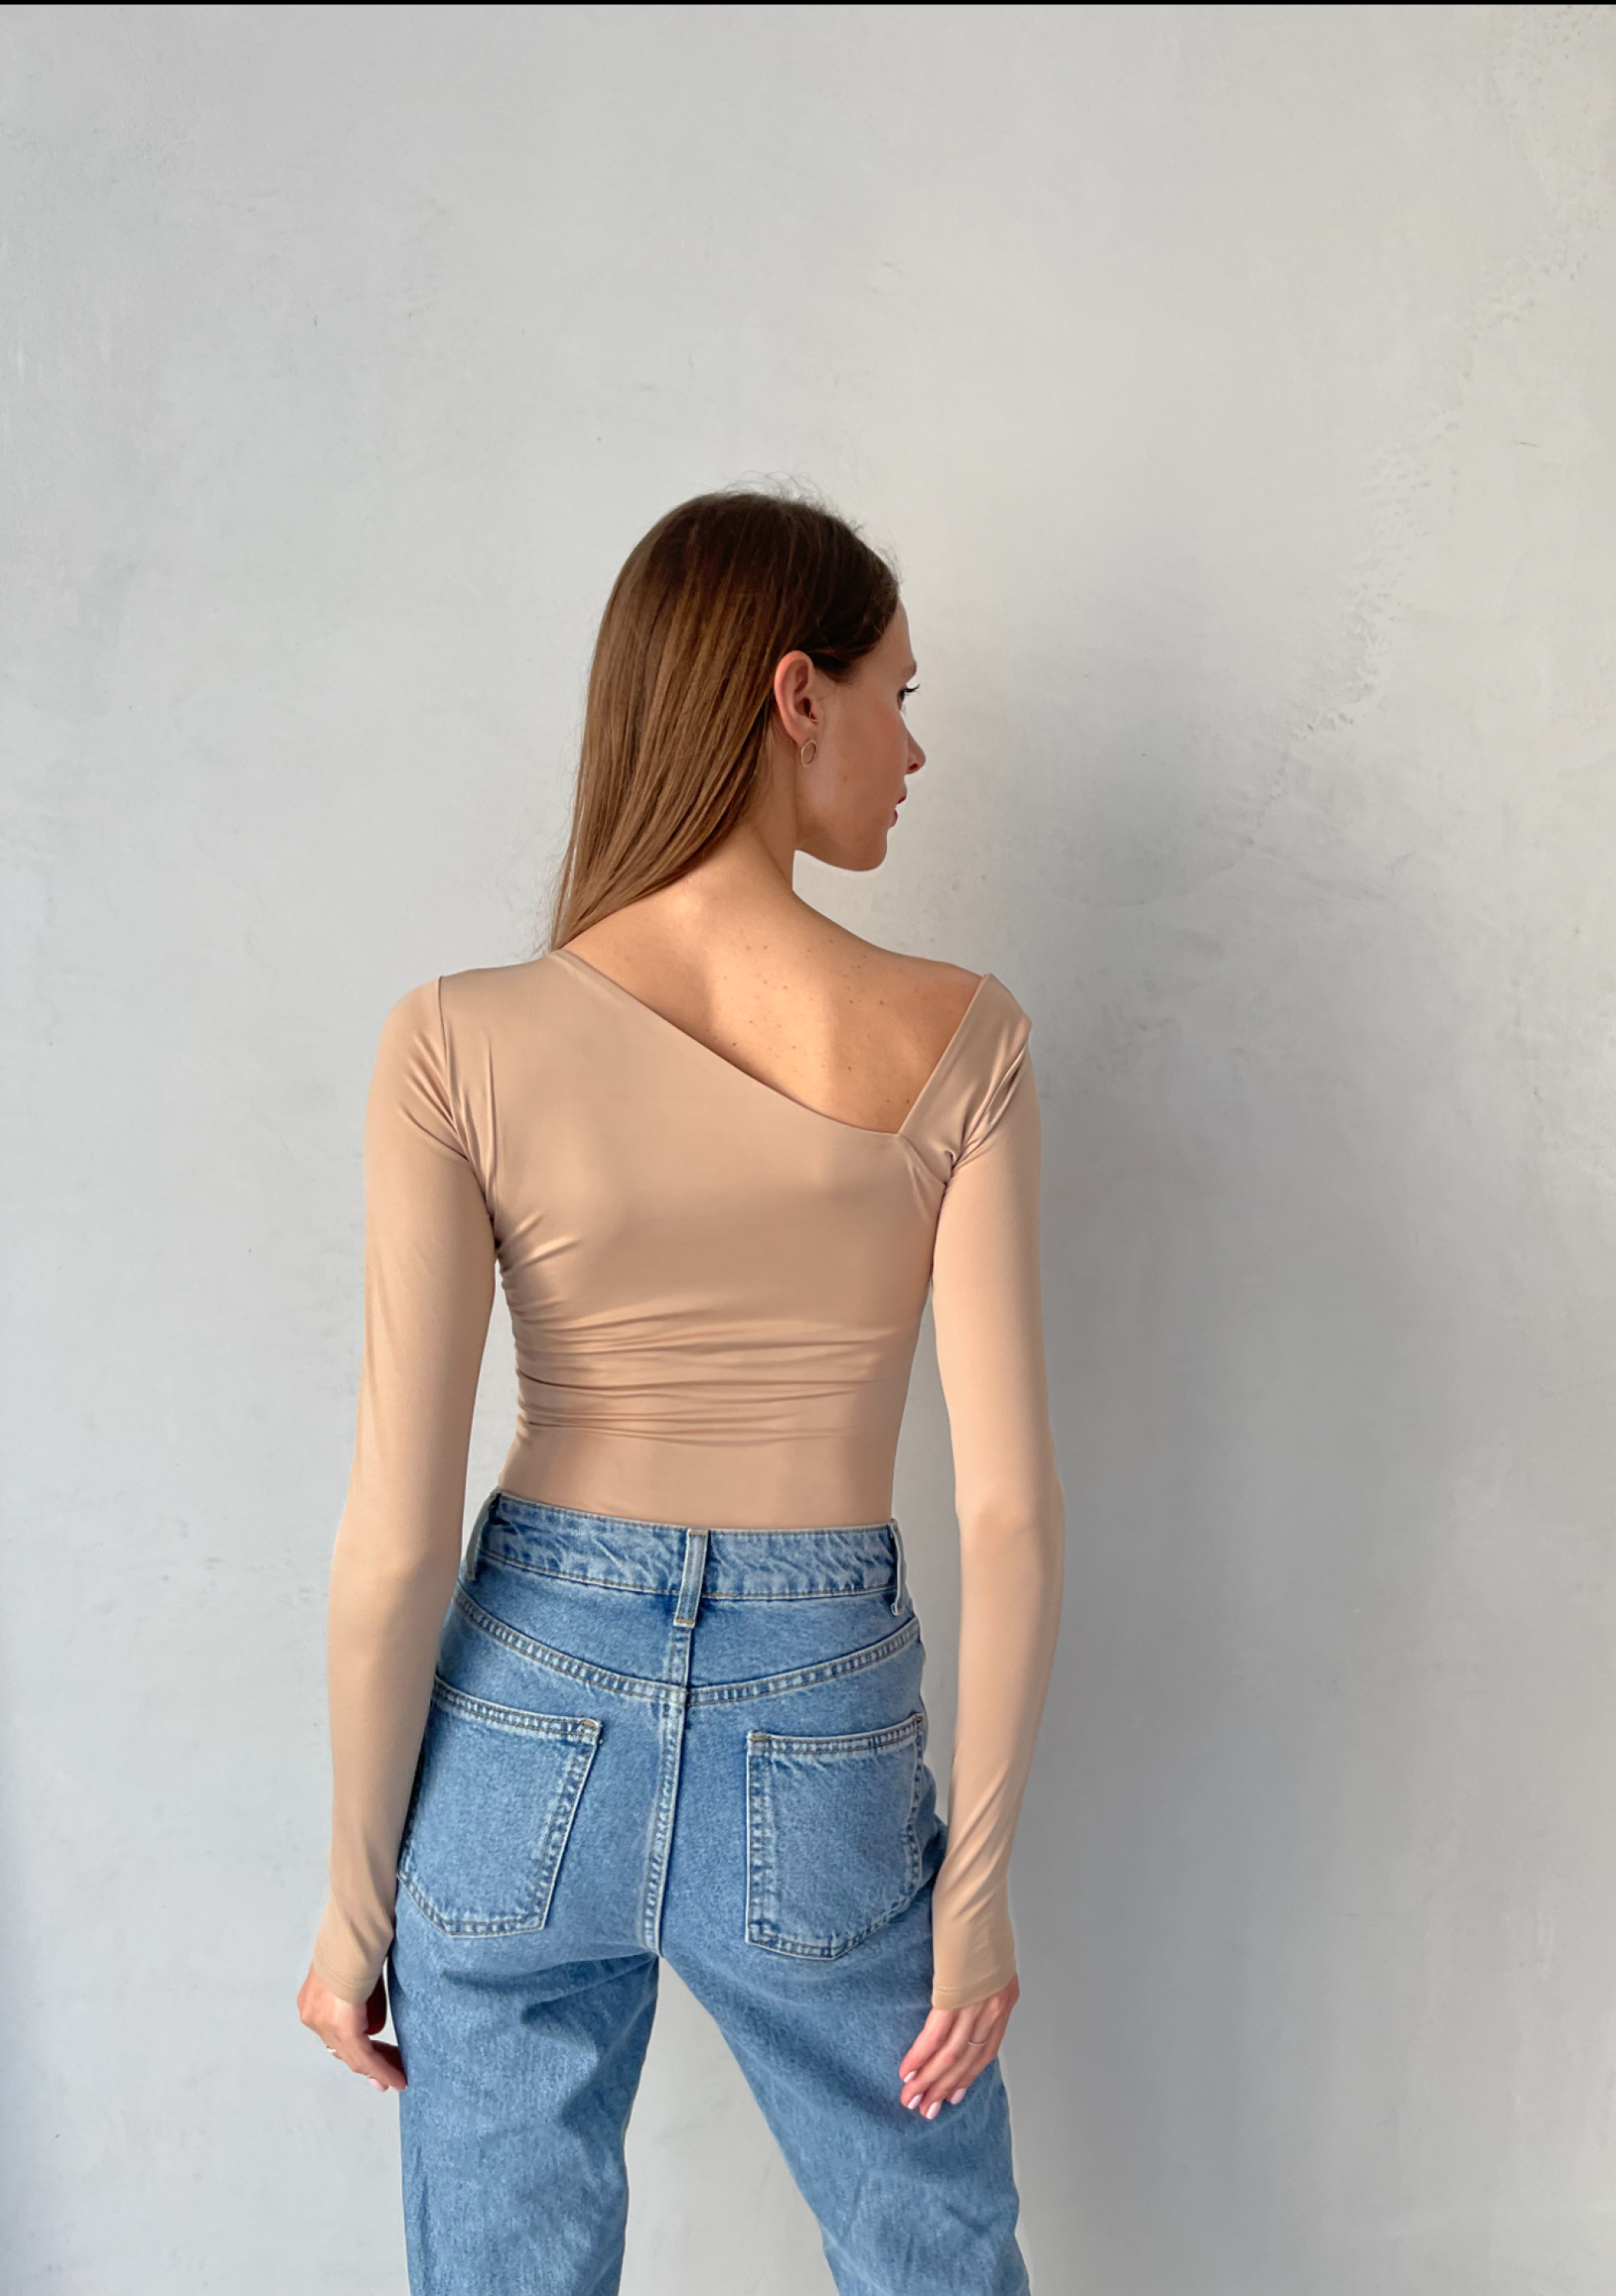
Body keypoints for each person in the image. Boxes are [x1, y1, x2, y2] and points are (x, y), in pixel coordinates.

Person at [296, 489, 1066, 2294]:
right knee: (933, 2255)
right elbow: (1009, 1508)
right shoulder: (963, 1037)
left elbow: (394, 1543)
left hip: (521, 1702)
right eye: (895, 694)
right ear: (796, 695)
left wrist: (352, 1901)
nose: (913, 748)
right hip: (820, 1717)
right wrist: (975, 1895)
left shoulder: (455, 1038)